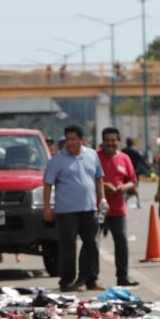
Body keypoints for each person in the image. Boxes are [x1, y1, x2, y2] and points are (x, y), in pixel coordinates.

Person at [43, 124, 106, 292]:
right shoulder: (57, 160)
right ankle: (67, 281)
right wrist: (47, 208)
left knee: (91, 244)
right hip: (66, 211)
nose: (69, 143)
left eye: (73, 139)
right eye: (67, 139)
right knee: (68, 246)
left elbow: (99, 178)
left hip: (89, 208)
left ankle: (90, 279)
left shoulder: (92, 155)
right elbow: (48, 184)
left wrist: (102, 199)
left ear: (81, 140)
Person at [97, 127, 139, 286]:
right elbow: (87, 177)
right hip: (97, 208)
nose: (110, 143)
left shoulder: (124, 158)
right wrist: (103, 185)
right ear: (103, 141)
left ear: (118, 141)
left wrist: (123, 187)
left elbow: (133, 181)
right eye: (107, 140)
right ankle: (90, 278)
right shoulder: (94, 156)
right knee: (93, 243)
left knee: (121, 242)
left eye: (113, 140)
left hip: (118, 209)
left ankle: (123, 276)